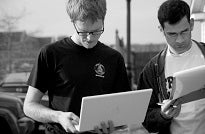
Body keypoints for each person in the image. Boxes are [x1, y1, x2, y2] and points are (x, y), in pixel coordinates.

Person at [23, 0, 131, 134]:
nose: (90, 38)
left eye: (97, 31)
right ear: (73, 22)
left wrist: (114, 127)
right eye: (83, 32)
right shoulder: (50, 53)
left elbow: (122, 111)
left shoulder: (114, 58)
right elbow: (29, 106)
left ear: (104, 19)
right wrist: (58, 117)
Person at [136, 0, 205, 134]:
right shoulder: (152, 69)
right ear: (161, 30)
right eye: (172, 34)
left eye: (184, 31)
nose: (180, 39)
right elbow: (145, 119)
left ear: (191, 24)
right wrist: (163, 115)